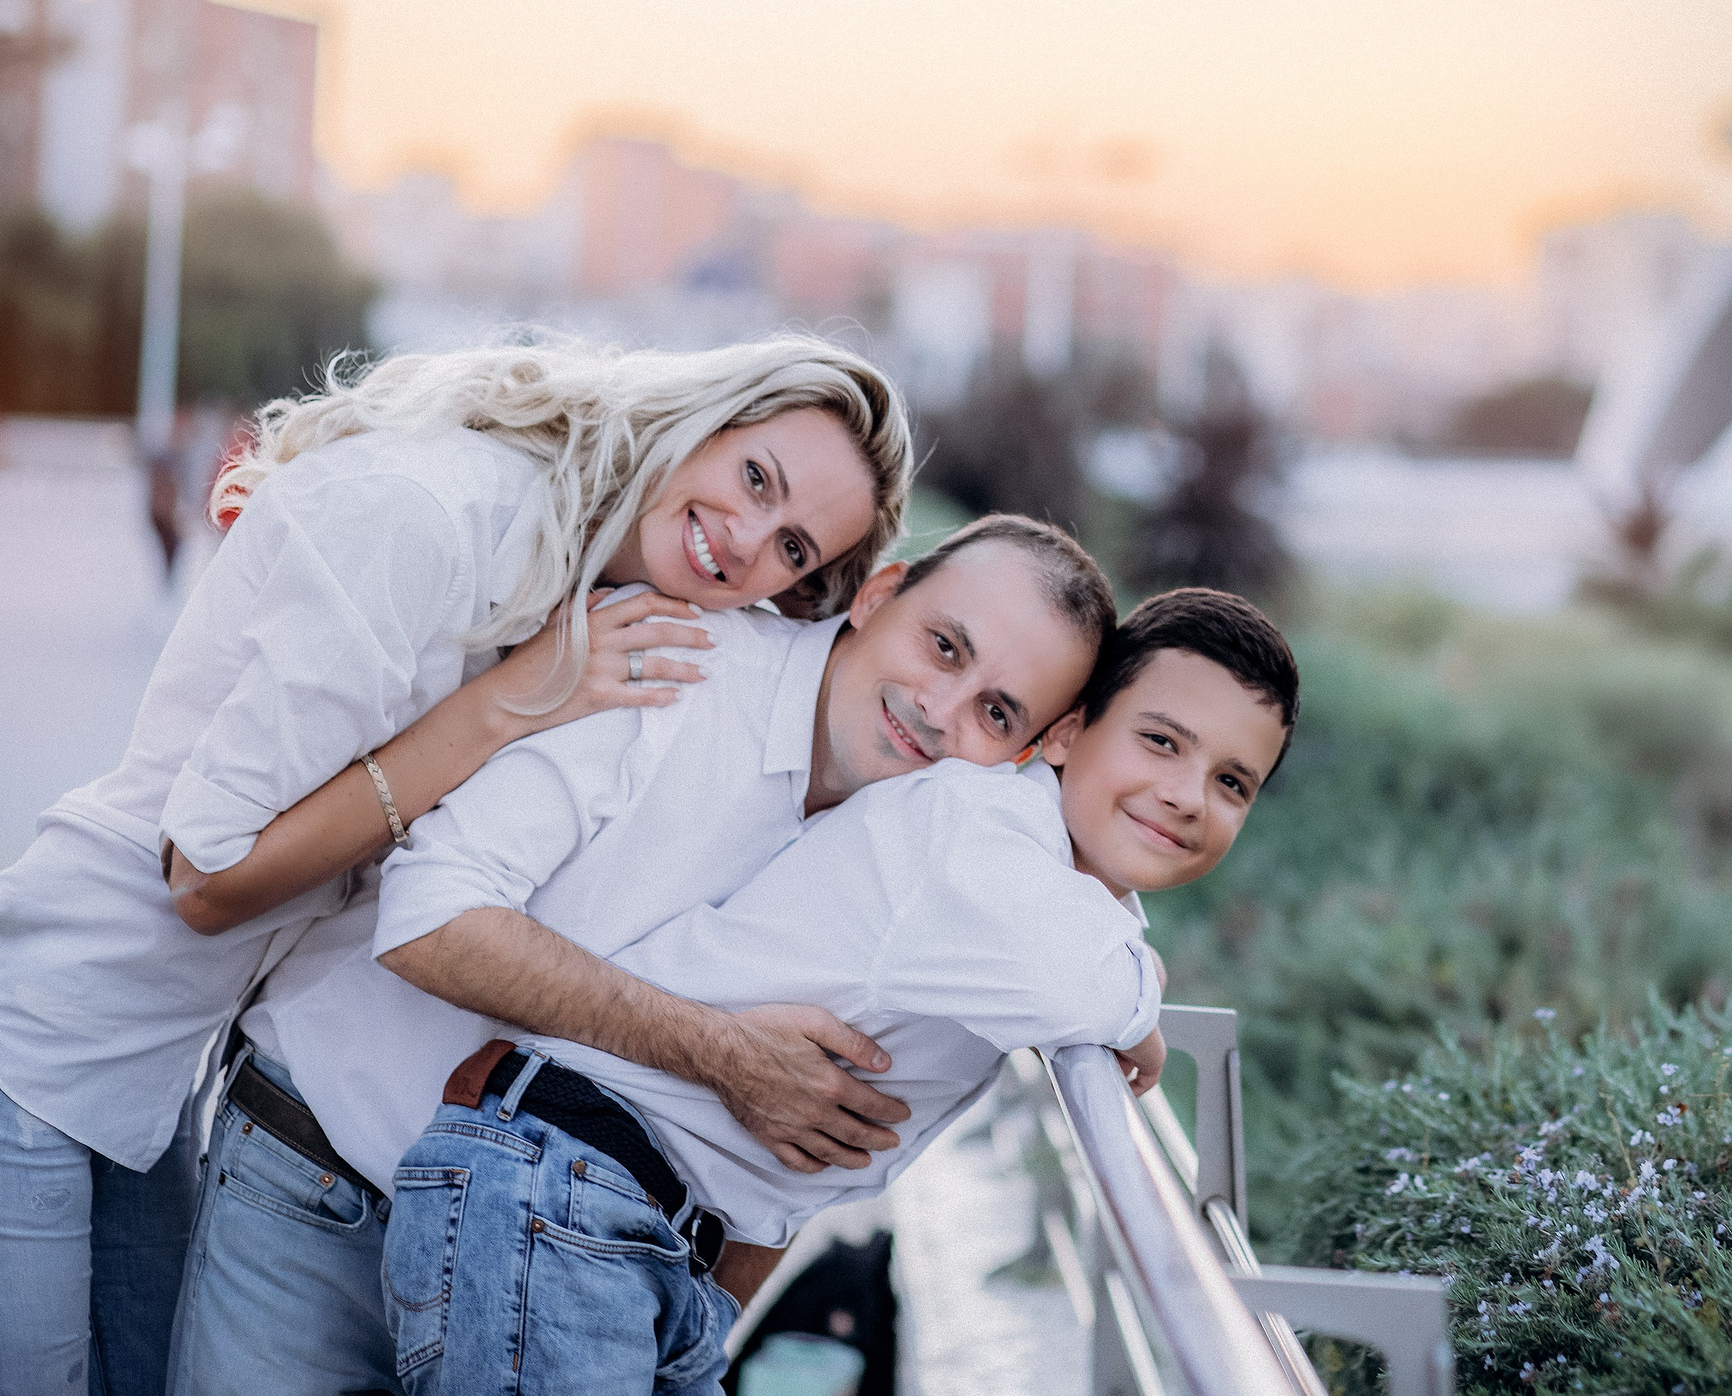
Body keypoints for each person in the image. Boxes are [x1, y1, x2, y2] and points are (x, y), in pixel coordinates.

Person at [0, 334, 910, 1396]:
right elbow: (205, 879)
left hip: (151, 1083)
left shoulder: (586, 575)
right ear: (700, 420)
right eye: (755, 478)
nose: (749, 541)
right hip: (47, 1038)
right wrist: (507, 705)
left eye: (795, 550)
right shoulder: (434, 518)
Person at [161, 516, 1115, 1395]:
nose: (941, 708)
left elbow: (788, 1159)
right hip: (325, 1178)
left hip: (568, 1279)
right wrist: (718, 1051)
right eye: (943, 646)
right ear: (880, 594)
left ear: (1034, 750)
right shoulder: (679, 665)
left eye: (997, 713)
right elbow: (430, 916)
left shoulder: (939, 862)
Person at [383, 588, 1297, 1393]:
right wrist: (1145, 998)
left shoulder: (1035, 874)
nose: (1187, 795)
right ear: (1065, 731)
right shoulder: (975, 834)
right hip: (568, 1194)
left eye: (1231, 781)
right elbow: (1084, 984)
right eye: (1161, 741)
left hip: (625, 1219)